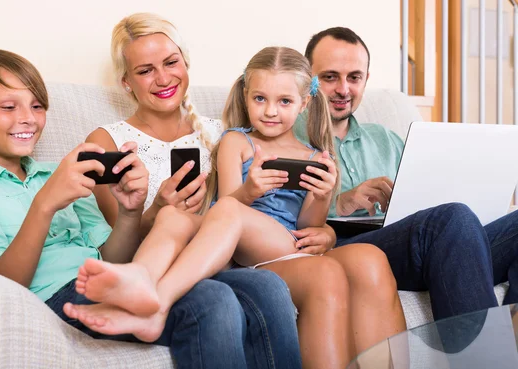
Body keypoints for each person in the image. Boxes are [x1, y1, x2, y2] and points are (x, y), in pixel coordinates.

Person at [0, 49, 302, 369]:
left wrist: (131, 212)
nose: (28, 118)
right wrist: (44, 205)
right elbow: (2, 284)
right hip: (58, 291)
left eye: (37, 106)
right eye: (9, 106)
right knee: (212, 300)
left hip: (112, 276)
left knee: (264, 285)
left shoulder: (59, 173)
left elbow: (113, 256)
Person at [82, 14, 406, 367]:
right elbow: (224, 205)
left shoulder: (220, 130)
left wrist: (326, 220)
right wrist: (159, 206)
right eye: (145, 70)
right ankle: (143, 292)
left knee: (371, 258)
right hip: (227, 243)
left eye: (171, 62)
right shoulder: (233, 138)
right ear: (126, 81)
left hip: (266, 237)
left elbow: (306, 221)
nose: (162, 77)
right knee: (181, 215)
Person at [295, 26, 518, 321]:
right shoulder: (289, 138)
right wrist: (341, 202)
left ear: (366, 80)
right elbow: (277, 218)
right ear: (307, 79)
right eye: (330, 77)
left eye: (354, 77)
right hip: (345, 248)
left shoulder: (386, 138)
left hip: (427, 243)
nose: (344, 89)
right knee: (453, 219)